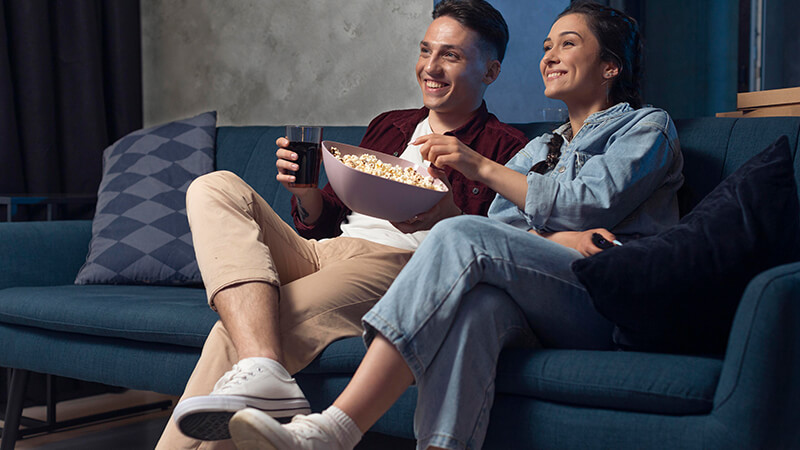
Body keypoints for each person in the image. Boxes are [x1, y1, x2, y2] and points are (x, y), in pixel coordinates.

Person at [226, 2, 685, 450]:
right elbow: (500, 224)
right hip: (541, 294)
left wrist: (481, 167)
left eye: (568, 44)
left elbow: (587, 202)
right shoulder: (544, 147)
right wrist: (556, 237)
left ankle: (336, 430)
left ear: (611, 66)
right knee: (478, 308)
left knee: (456, 234)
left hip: (606, 295)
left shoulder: (647, 127)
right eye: (547, 46)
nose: (550, 56)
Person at [155, 1, 529, 448]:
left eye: (451, 55)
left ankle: (258, 368)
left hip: (401, 264)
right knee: (213, 186)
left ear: (490, 71)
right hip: (326, 252)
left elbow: (494, 248)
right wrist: (307, 195)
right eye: (425, 50)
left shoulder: (506, 148)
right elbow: (327, 218)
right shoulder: (389, 125)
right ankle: (265, 368)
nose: (430, 67)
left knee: (235, 329)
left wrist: (448, 210)